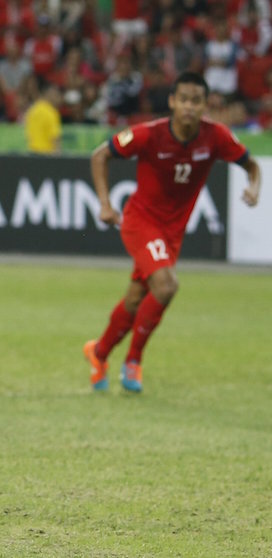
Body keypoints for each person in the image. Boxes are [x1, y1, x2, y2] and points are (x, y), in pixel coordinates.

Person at [84, 72, 261, 393]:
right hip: (141, 221)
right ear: (172, 102)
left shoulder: (216, 136)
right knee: (166, 286)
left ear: (205, 105)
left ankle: (98, 353)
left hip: (172, 232)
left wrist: (254, 188)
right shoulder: (149, 134)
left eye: (196, 101)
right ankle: (133, 362)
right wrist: (106, 204)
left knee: (137, 298)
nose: (189, 107)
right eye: (184, 100)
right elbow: (101, 155)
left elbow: (252, 165)